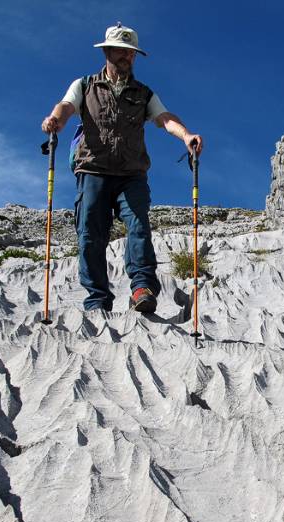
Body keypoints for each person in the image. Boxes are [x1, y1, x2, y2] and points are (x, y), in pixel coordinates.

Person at [41, 22, 203, 314]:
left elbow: (164, 118)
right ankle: (97, 299)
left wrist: (186, 136)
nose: (128, 57)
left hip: (131, 173)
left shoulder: (143, 93)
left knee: (139, 225)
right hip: (93, 169)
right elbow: (66, 106)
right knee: (90, 232)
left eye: (132, 53)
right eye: (122, 52)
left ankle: (142, 287)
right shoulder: (85, 85)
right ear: (107, 52)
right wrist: (56, 119)